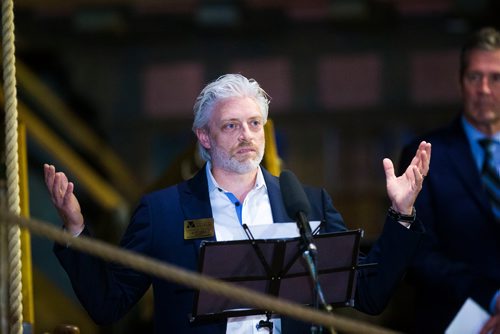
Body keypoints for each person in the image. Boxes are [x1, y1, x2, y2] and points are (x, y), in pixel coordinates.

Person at [45, 73, 431, 333]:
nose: (246, 135)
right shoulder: (161, 212)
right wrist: (76, 230)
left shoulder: (307, 203)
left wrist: (402, 214)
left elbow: (369, 293)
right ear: (205, 137)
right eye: (231, 125)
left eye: (253, 123)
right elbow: (108, 305)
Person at [399, 27, 500, 334]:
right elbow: (418, 255)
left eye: (495, 77)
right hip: (452, 321)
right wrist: (493, 299)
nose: (483, 89)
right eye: (474, 77)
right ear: (460, 83)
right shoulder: (425, 154)